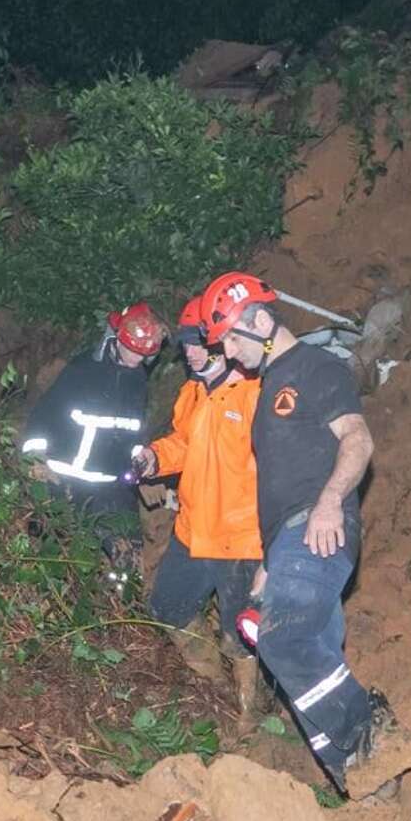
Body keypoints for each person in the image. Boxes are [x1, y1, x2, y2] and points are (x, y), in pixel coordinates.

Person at [199, 271, 411, 796]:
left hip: (317, 528)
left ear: (261, 321)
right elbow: (281, 483)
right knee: (307, 664)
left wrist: (329, 503)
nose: (227, 352)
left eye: (231, 337)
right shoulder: (268, 387)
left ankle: (374, 735)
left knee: (284, 638)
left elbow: (358, 440)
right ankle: (366, 786)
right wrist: (268, 565)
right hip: (288, 543)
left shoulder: (316, 366)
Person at [132, 295, 264, 698]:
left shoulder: (255, 394)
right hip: (193, 532)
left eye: (198, 342)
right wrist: (154, 458)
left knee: (241, 636)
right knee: (168, 608)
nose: (188, 352)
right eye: (185, 343)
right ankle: (217, 687)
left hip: (240, 539)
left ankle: (251, 714)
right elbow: (185, 444)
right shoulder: (192, 393)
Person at [19, 303, 164, 579]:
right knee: (51, 557)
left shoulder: (139, 382)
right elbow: (44, 415)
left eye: (144, 354)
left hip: (110, 487)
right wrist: (35, 460)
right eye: (133, 350)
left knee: (127, 561)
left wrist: (140, 460)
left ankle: (118, 613)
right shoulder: (82, 371)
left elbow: (131, 430)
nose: (136, 359)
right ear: (116, 338)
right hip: (62, 480)